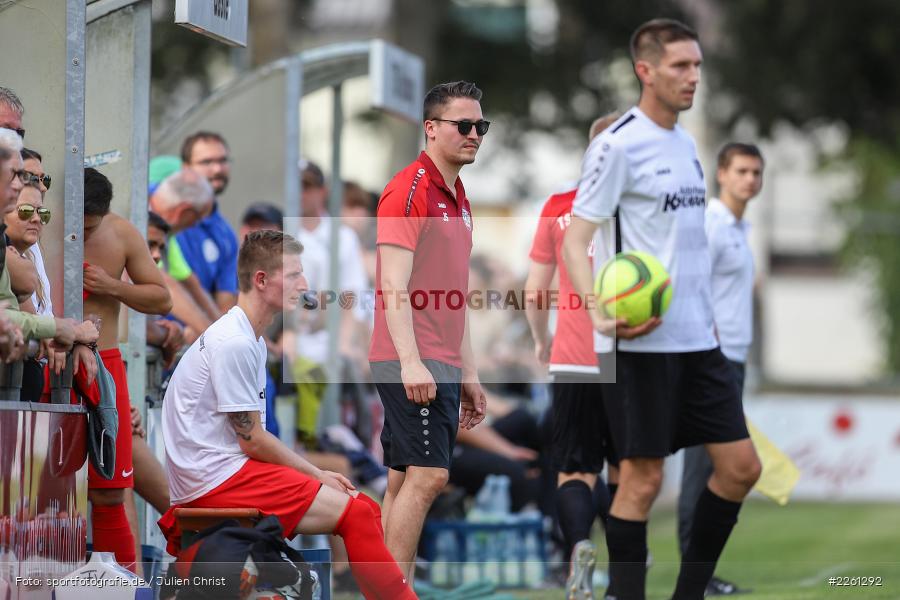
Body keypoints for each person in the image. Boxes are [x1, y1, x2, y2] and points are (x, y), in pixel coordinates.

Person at [562, 19, 762, 600]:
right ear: (644, 71)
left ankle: (688, 593)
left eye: (697, 65)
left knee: (741, 468)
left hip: (700, 340)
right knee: (643, 481)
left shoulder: (686, 143)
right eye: (680, 66)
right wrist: (600, 313)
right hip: (638, 342)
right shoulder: (617, 143)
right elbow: (577, 238)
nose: (692, 77)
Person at [157, 230, 416, 599]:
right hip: (213, 481)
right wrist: (316, 474)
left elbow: (250, 439)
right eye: (294, 275)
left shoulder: (250, 338)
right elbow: (252, 440)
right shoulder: (235, 342)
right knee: (359, 512)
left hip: (220, 473)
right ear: (261, 280)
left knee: (362, 510)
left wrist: (314, 474)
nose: (304, 284)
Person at [369, 81, 489, 579]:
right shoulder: (409, 188)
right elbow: (391, 285)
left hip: (438, 358)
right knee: (429, 476)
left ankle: (379, 587)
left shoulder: (458, 196)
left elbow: (452, 295)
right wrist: (413, 362)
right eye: (464, 125)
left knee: (401, 482)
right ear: (431, 128)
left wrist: (469, 372)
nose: (475, 135)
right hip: (409, 359)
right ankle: (392, 593)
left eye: (481, 126)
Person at [525, 113, 621, 599]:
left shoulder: (559, 205)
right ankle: (625, 577)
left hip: (573, 356)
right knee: (630, 470)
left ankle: (579, 549)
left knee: (575, 470)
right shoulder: (638, 205)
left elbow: (535, 291)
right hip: (630, 356)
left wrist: (542, 339)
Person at [677, 143, 764, 597]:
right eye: (742, 171)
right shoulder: (711, 224)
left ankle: (701, 571)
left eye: (756, 172)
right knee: (704, 468)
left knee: (720, 468)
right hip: (714, 358)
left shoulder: (739, 226)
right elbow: (690, 287)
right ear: (723, 174)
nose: (750, 179)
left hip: (734, 358)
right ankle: (697, 574)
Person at [81, 167, 173, 572]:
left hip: (104, 366)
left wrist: (112, 286)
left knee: (111, 492)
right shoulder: (37, 226)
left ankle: (121, 585)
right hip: (53, 362)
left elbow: (161, 298)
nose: (84, 235)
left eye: (90, 228)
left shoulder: (120, 233)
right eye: (79, 227)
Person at [0, 129, 95, 351]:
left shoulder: (28, 246)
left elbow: (11, 310)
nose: (19, 184)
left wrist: (63, 332)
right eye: (17, 175)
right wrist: (57, 328)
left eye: (42, 214)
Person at [177, 131, 240, 312]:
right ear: (185, 168)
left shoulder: (226, 234)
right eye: (207, 162)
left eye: (222, 161)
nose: (217, 169)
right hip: (154, 333)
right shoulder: (163, 217)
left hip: (201, 336)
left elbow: (225, 306)